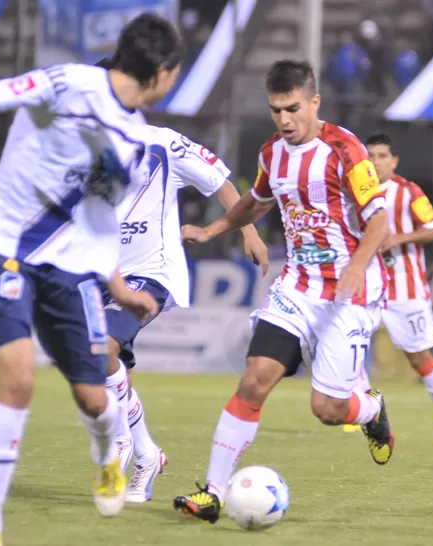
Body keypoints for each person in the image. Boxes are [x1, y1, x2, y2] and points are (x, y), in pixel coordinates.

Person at [0, 13, 182, 546]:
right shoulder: (72, 81)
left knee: (95, 397)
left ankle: (106, 455)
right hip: (1, 244)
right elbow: (2, 91)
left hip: (69, 264)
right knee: (20, 379)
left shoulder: (134, 142)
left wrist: (116, 286)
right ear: (164, 73)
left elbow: (97, 217)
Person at [173, 60, 393, 524]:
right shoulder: (272, 153)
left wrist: (355, 266)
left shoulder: (345, 150)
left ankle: (371, 409)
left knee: (329, 410)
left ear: (314, 102)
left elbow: (379, 220)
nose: (284, 119)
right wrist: (213, 230)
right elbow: (255, 203)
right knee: (254, 379)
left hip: (349, 295)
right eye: (276, 110)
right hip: (296, 287)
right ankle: (213, 491)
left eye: (293, 108)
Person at [102, 125, 269, 503]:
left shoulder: (163, 143)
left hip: (152, 270)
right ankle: (147, 455)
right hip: (105, 272)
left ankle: (121, 441)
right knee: (98, 361)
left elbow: (219, 181)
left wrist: (248, 232)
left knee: (104, 346)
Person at [340, 133, 433, 442]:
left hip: (406, 290)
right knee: (349, 345)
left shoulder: (408, 192)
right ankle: (363, 409)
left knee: (418, 357)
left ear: (394, 161)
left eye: (382, 156)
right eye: (371, 156)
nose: (376, 161)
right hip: (367, 288)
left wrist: (397, 239)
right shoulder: (354, 191)